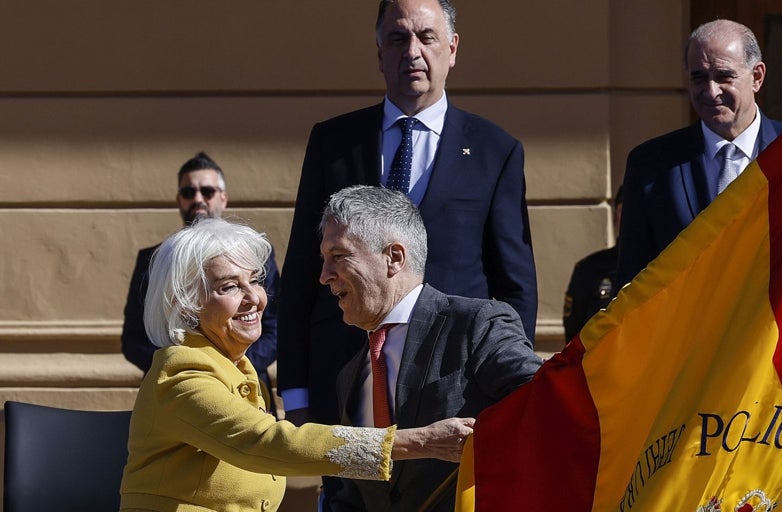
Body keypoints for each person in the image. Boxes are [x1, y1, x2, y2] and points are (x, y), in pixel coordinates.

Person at [615, 19, 782, 512]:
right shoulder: (653, 164)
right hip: (688, 395)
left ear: (757, 76)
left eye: (723, 77)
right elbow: (635, 288)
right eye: (697, 79)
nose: (709, 91)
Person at [278, 0, 536, 432]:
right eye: (398, 38)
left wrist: (508, 383)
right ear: (380, 53)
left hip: (452, 380)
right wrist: (296, 394)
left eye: (426, 37)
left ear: (452, 50)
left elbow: (514, 284)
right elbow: (304, 268)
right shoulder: (333, 142)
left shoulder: (495, 150)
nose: (412, 51)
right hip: (345, 376)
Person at [119, 217, 475, 512]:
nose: (253, 298)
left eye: (255, 281)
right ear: (186, 305)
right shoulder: (181, 371)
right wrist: (422, 441)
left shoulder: (238, 368)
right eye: (229, 287)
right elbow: (268, 443)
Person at [319, 185, 542, 511]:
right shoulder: (351, 374)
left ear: (393, 258)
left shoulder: (477, 323)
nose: (324, 276)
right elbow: (353, 495)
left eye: (338, 256)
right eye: (324, 260)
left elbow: (542, 405)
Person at [121, 151, 280, 411]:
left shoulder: (257, 254)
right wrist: (184, 366)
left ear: (223, 198)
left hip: (248, 387)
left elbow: (275, 329)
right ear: (178, 200)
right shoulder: (154, 260)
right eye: (188, 192)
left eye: (207, 191)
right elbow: (134, 339)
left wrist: (230, 363)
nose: (198, 199)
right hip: (180, 392)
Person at [562, 187, 623, 342]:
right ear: (615, 218)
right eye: (624, 211)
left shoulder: (661, 266)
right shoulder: (589, 269)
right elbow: (574, 332)